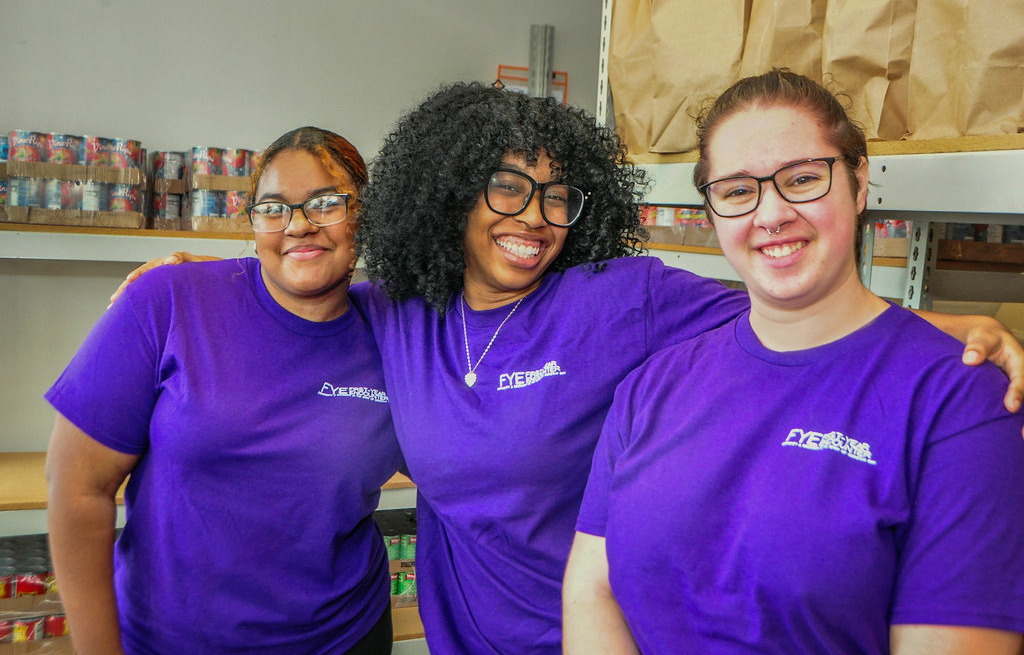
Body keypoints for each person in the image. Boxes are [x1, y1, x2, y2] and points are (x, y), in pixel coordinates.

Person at [111, 83, 1024, 654]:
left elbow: (795, 305)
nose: (535, 216)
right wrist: (191, 279)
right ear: (451, 193)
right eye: (507, 187)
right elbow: (294, 273)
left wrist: (961, 325)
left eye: (559, 194)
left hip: (595, 633)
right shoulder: (399, 310)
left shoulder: (615, 296)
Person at [562, 70, 1024, 654]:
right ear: (712, 211)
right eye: (736, 191)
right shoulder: (651, 386)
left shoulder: (957, 400)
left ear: (858, 184)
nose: (771, 213)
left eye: (802, 179)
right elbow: (591, 592)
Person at [45, 127, 402, 655]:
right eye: (274, 208)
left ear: (362, 216)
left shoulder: (395, 329)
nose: (299, 225)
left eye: (326, 204)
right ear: (253, 223)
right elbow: (77, 489)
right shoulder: (166, 301)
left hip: (344, 636)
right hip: (173, 640)